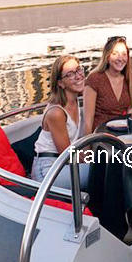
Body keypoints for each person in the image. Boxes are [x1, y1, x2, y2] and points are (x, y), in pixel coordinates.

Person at [31, 55, 90, 189]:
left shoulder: (74, 101)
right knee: (102, 170)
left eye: (79, 70)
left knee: (110, 163)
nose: (78, 76)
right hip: (48, 171)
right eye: (70, 74)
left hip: (62, 163)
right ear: (60, 83)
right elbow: (67, 154)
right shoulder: (56, 113)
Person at [84, 36, 132, 133]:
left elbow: (131, 114)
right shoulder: (94, 79)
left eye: (124, 54)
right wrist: (89, 141)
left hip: (122, 134)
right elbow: (88, 121)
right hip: (100, 135)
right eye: (115, 54)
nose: (120, 58)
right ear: (107, 57)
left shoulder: (131, 79)